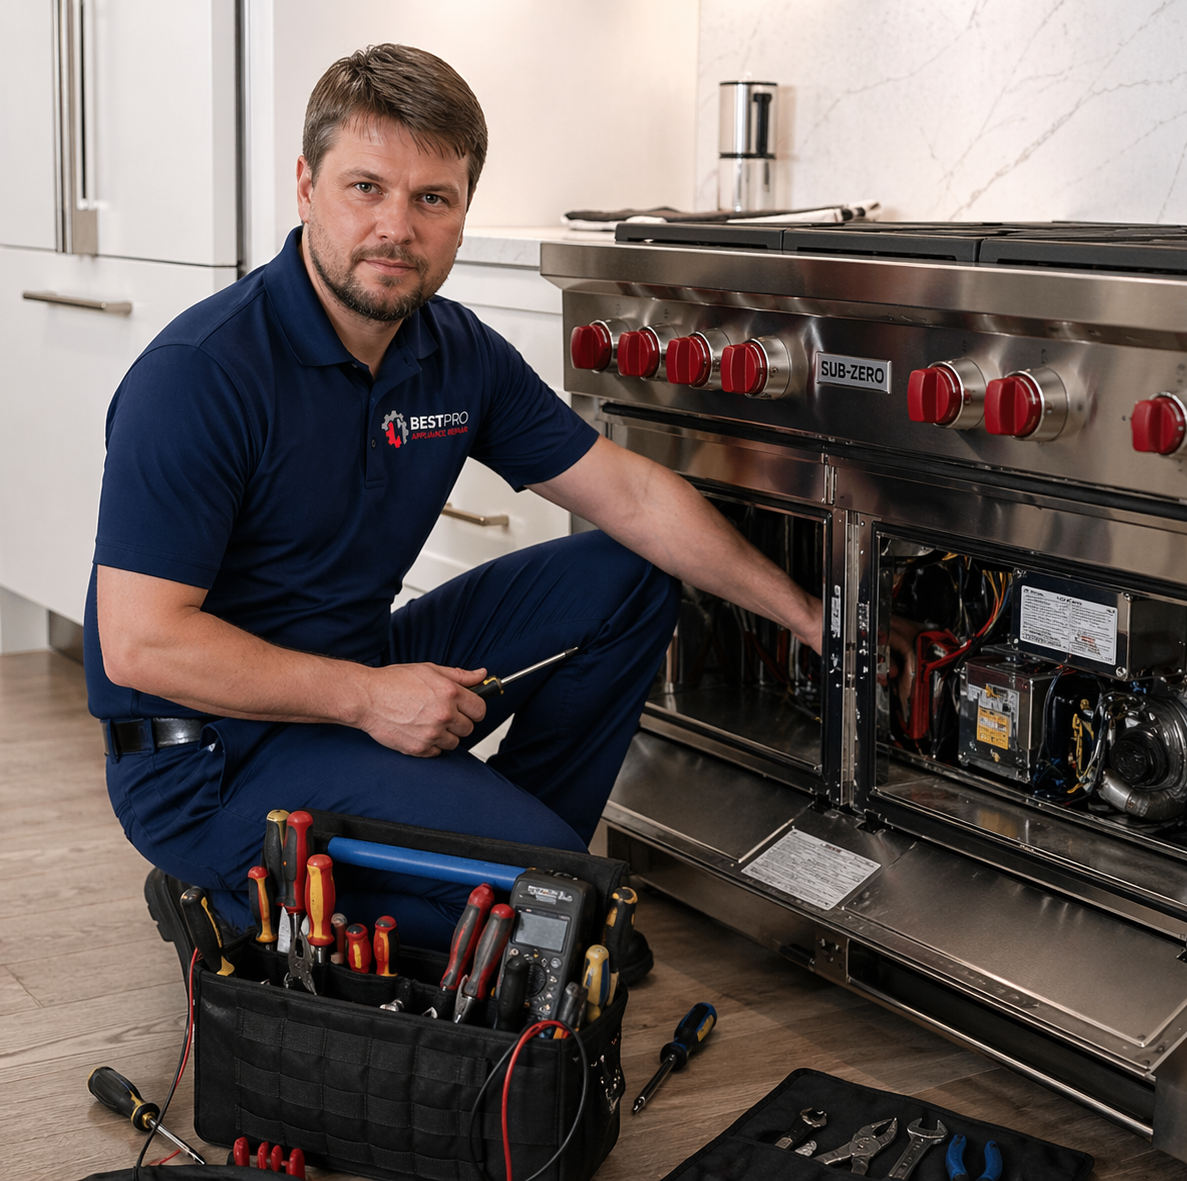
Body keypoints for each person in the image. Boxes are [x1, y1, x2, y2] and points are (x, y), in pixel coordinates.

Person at [86, 44, 821, 947]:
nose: (397, 226)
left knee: (625, 579)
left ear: (463, 215)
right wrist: (366, 698)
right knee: (587, 933)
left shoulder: (454, 353)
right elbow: (140, 644)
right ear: (306, 186)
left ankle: (506, 867)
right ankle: (246, 899)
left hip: (353, 673)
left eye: (432, 198)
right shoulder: (200, 375)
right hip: (206, 757)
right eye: (367, 188)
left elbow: (628, 492)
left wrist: (810, 615)